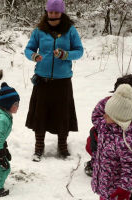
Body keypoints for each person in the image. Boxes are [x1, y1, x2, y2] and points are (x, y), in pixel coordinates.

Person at [24, 0, 84, 162]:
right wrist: (33, 56)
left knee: (62, 114)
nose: (53, 15)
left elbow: (79, 51)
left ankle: (63, 146)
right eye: (50, 12)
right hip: (42, 80)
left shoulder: (70, 31)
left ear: (62, 13)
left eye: (56, 12)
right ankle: (39, 147)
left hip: (62, 81)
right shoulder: (39, 30)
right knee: (40, 114)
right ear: (46, 12)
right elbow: (28, 49)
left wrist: (66, 54)